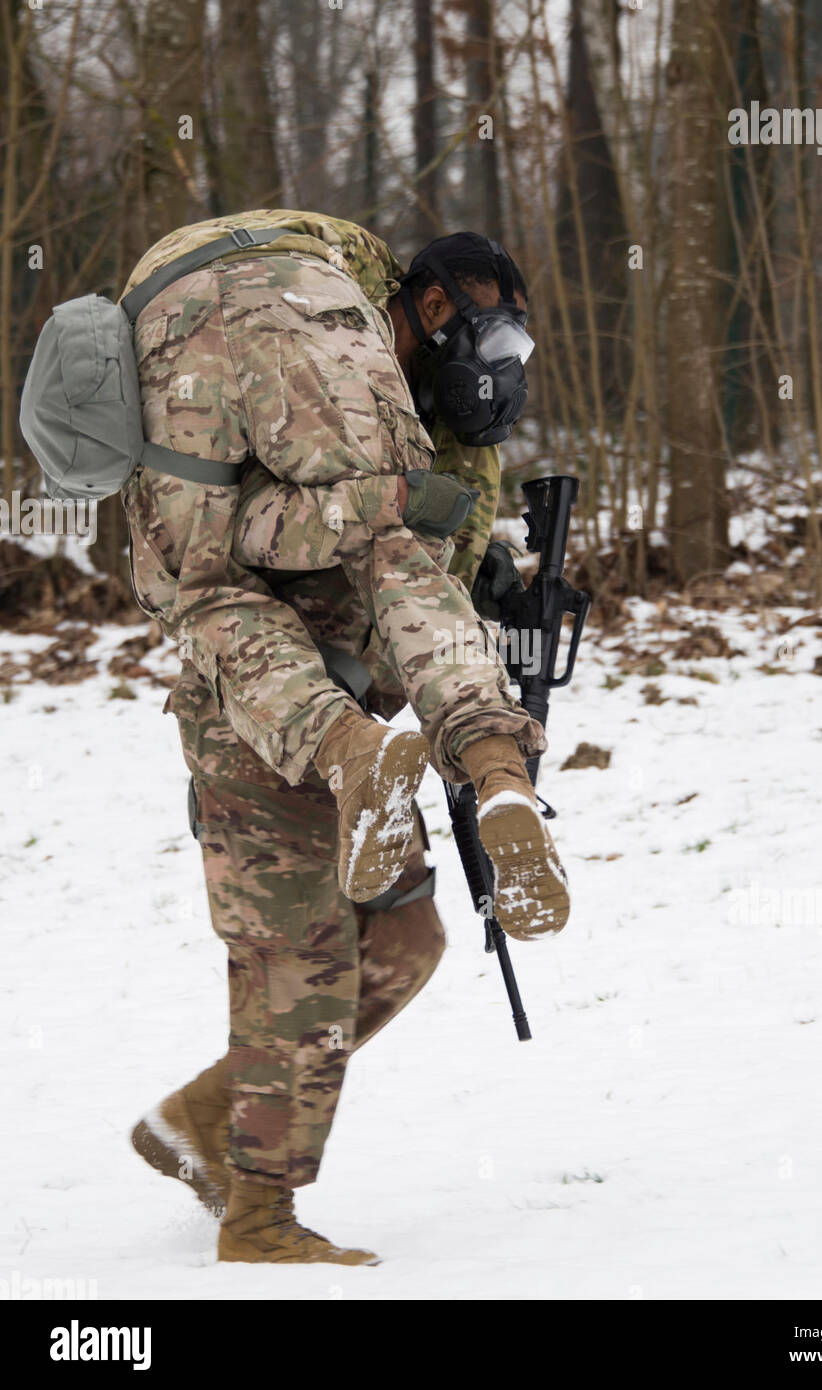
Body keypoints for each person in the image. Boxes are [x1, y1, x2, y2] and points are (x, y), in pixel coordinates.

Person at [124, 211, 569, 1264]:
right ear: (420, 311)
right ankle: (261, 1221)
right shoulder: (335, 352)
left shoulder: (398, 431)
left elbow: (417, 572)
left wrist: (488, 582)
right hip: (256, 720)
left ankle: (201, 1125)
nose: (490, 372)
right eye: (480, 341)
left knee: (404, 941)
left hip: (344, 705)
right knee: (301, 961)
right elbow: (368, 560)